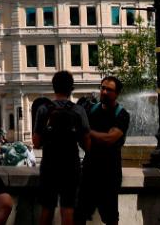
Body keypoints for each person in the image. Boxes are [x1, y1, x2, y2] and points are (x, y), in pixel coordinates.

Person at [32, 70, 90, 225]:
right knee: (68, 209)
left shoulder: (44, 109)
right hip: (71, 164)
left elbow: (36, 143)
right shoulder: (78, 110)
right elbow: (87, 143)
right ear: (71, 88)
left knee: (47, 208)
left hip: (49, 164)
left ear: (54, 87)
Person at [77, 76, 130, 225]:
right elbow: (82, 140)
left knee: (110, 218)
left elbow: (109, 139)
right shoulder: (91, 110)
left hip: (110, 174)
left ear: (117, 93)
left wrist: (88, 132)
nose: (104, 92)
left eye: (109, 89)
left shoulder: (122, 115)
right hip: (89, 171)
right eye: (102, 88)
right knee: (79, 215)